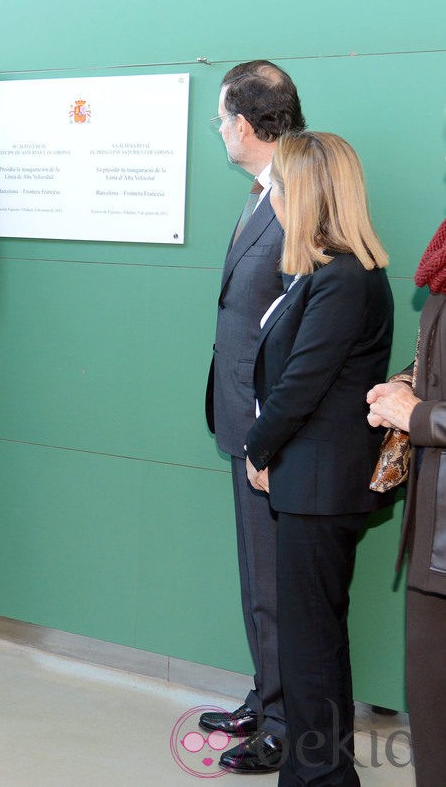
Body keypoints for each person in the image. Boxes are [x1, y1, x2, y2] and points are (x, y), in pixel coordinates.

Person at [246, 131, 393, 786]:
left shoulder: (341, 278)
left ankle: (318, 777)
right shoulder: (332, 272)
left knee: (309, 647)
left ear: (304, 193)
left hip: (318, 484)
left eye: (278, 185)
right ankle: (325, 775)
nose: (270, 196)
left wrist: (258, 448)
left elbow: (300, 382)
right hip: (316, 482)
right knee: (316, 641)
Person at [202, 60, 305, 772]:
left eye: (219, 119)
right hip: (248, 423)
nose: (219, 131)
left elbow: (305, 331)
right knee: (257, 580)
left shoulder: (302, 196)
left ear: (243, 124)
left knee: (277, 585)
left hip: (275, 432)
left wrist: (269, 433)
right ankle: (266, 695)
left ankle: (283, 725)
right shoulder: (264, 192)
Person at [366, 218, 446, 787]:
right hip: (433, 534)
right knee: (433, 715)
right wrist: (400, 389)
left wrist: (413, 415)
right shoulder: (442, 254)